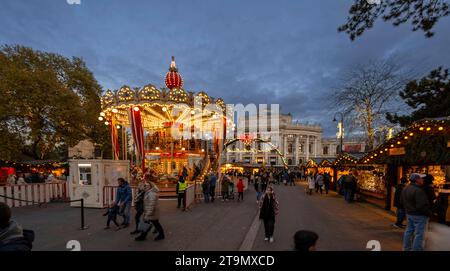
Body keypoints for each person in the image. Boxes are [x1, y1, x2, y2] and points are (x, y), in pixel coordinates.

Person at [401, 173, 431, 251]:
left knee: (408, 231)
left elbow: (402, 201)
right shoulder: (418, 190)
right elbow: (421, 205)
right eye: (421, 178)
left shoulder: (406, 188)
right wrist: (428, 213)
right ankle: (416, 249)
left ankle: (406, 248)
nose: (422, 180)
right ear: (417, 180)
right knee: (419, 234)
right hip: (419, 215)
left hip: (409, 213)